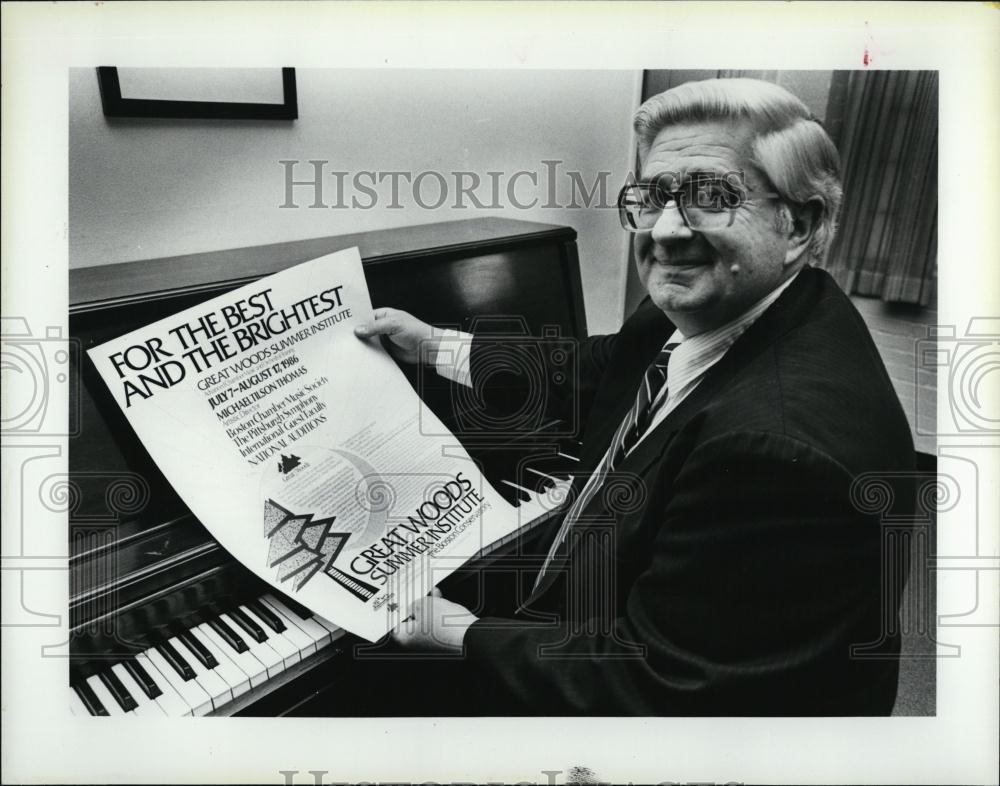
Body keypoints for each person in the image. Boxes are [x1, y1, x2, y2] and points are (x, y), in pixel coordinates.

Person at [353, 78, 916, 715]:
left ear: (799, 224)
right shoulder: (715, 312)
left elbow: (655, 689)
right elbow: (592, 370)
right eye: (651, 198)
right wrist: (433, 345)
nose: (668, 231)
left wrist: (455, 633)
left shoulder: (772, 450)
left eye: (711, 196)